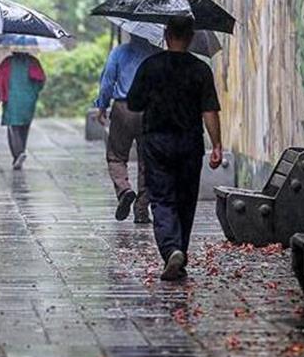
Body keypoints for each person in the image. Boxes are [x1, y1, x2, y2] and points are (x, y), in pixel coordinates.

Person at [128, 17, 223, 281]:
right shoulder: (200, 69)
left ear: (166, 35)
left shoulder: (150, 66)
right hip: (190, 143)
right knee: (185, 200)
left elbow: (134, 103)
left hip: (157, 142)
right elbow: (210, 110)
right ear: (191, 37)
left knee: (162, 198)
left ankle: (171, 249)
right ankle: (179, 249)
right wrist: (216, 144)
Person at [95, 34, 160, 223]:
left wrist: (101, 106)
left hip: (123, 108)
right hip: (150, 110)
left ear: (131, 32)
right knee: (148, 160)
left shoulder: (119, 52)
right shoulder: (157, 54)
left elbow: (107, 81)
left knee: (116, 156)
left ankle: (124, 190)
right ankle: (141, 210)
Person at [0, 51, 46, 170]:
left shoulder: (8, 62)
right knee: (24, 126)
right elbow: (41, 80)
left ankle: (18, 154)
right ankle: (20, 151)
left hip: (11, 99)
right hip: (28, 99)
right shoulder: (33, 61)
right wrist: (34, 92)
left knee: (13, 126)